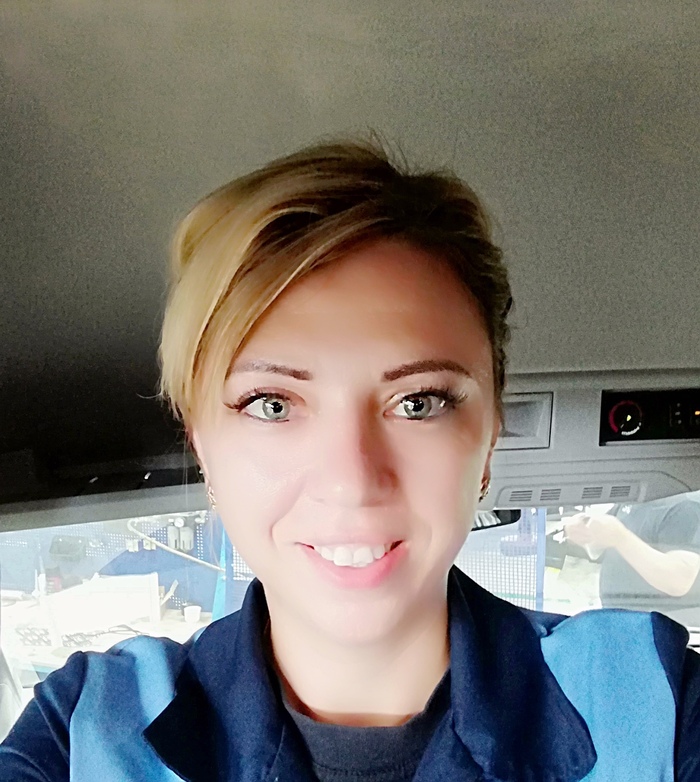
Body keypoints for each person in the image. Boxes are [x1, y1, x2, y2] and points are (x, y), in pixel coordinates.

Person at [2, 139, 700, 781]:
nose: (352, 481)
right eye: (271, 404)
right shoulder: (84, 732)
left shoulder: (657, 704)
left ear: (489, 432)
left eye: (418, 402)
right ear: (201, 444)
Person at [564, 492, 700, 627]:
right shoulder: (636, 497)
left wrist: (621, 538)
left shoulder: (686, 506)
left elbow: (679, 580)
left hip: (659, 630)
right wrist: (580, 531)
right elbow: (604, 538)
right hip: (621, 623)